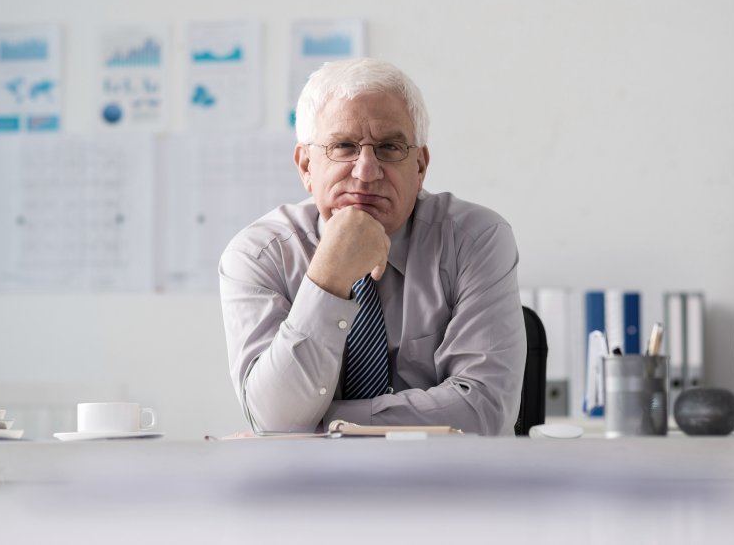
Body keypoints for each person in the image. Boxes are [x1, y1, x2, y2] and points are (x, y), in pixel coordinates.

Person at [219, 58, 526, 435]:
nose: (366, 170)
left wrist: (322, 426)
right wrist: (328, 277)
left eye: (390, 147)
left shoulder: (475, 239)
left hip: (447, 485)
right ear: (305, 167)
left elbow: (483, 411)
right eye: (343, 146)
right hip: (309, 491)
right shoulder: (258, 255)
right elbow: (275, 418)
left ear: (420, 166)